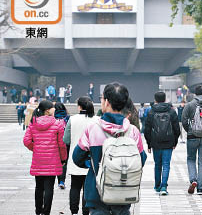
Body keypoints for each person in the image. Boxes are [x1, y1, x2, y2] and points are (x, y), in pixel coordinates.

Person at [72, 82, 147, 214]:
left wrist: (95, 164)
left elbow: (77, 158)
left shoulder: (93, 128)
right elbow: (141, 159)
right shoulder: (133, 131)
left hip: (97, 193)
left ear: (106, 102)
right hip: (124, 193)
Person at [23, 100, 67, 215]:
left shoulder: (33, 123)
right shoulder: (58, 124)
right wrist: (63, 159)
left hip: (38, 160)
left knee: (39, 187)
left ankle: (38, 211)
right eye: (52, 107)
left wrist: (36, 148)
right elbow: (62, 144)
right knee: (49, 188)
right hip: (53, 160)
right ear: (47, 110)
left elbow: (26, 141)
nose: (54, 109)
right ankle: (46, 212)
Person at [63, 97, 97, 215]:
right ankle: (86, 211)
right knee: (87, 188)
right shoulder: (97, 119)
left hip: (75, 157)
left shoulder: (72, 119)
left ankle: (73, 211)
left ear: (79, 106)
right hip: (92, 159)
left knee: (75, 186)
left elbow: (66, 139)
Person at [144, 92, 180, 195]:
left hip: (156, 142)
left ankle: (157, 186)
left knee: (157, 164)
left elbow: (147, 129)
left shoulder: (151, 112)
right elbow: (176, 128)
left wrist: (149, 144)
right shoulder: (171, 111)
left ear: (155, 100)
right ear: (165, 99)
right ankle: (164, 186)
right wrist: (175, 141)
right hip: (168, 142)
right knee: (166, 164)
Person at [54, 102, 70, 189]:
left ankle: (58, 180)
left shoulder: (53, 118)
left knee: (57, 162)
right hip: (66, 143)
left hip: (55, 143)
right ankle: (62, 181)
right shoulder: (67, 118)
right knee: (64, 162)